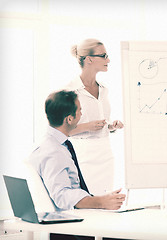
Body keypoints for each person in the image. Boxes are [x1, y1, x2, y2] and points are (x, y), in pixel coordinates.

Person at [29, 90, 126, 240]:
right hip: (72, 230)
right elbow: (62, 196)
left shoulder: (53, 144)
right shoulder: (54, 152)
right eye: (79, 110)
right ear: (69, 119)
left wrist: (102, 199)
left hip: (74, 222)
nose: (81, 114)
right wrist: (101, 202)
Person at [66, 39, 124, 195]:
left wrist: (112, 126)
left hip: (105, 153)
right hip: (83, 154)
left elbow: (103, 121)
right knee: (87, 201)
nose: (108, 60)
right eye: (104, 56)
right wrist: (88, 126)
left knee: (105, 200)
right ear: (89, 59)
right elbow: (63, 130)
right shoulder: (70, 91)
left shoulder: (104, 90)